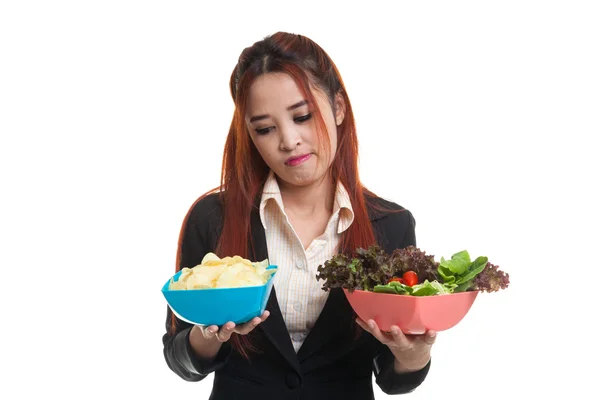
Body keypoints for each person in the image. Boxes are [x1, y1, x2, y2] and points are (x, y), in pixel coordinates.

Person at [162, 31, 436, 399]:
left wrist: (413, 356)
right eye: (264, 128)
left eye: (302, 116)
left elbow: (391, 375)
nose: (288, 140)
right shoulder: (212, 217)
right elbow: (180, 357)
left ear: (338, 107)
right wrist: (207, 337)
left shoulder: (392, 225)